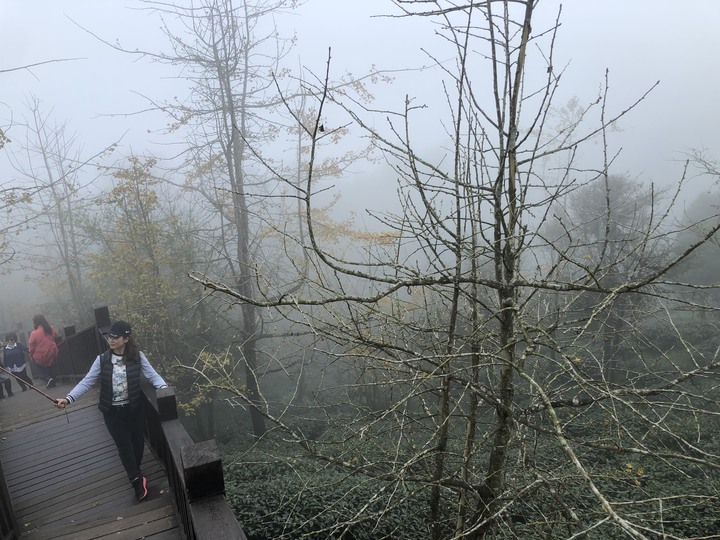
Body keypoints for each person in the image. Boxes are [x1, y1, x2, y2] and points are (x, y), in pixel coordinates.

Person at [55, 320, 168, 502]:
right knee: (124, 448)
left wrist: (164, 390)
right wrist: (68, 399)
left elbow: (152, 375)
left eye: (115, 337)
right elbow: (87, 381)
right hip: (112, 412)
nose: (111, 340)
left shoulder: (138, 356)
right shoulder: (102, 360)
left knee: (137, 445)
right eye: (109, 336)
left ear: (126, 338)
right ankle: (137, 483)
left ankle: (136, 473)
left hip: (134, 409)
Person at [28, 314, 59, 389]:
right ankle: (53, 381)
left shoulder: (34, 333)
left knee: (38, 365)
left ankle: (47, 378)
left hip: (41, 354)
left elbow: (31, 346)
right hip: (52, 351)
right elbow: (55, 335)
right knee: (51, 364)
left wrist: (31, 355)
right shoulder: (50, 329)